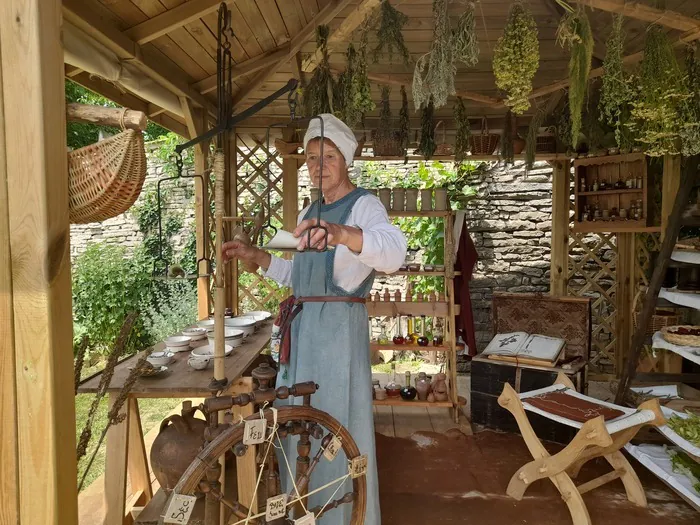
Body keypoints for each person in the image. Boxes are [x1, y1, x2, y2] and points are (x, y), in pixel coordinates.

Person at [222, 113, 406, 524]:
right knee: (300, 429)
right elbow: (299, 277)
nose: (318, 166)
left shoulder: (364, 205)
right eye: (310, 157)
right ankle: (305, 514)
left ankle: (344, 517)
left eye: (328, 156)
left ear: (346, 161)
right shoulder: (311, 208)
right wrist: (257, 258)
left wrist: (342, 234)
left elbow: (394, 254)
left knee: (334, 429)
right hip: (304, 338)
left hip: (337, 341)